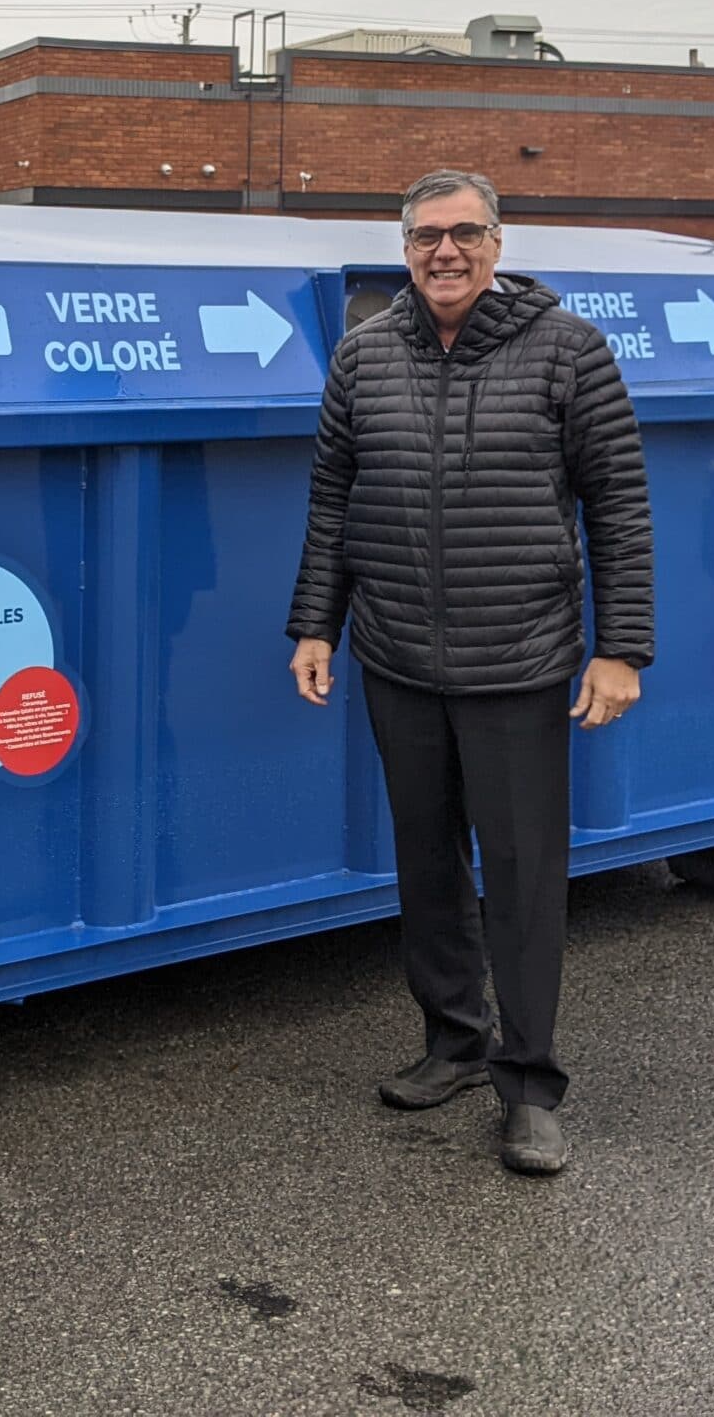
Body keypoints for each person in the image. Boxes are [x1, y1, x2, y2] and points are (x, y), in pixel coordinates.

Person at [286, 168, 652, 1176]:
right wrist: (317, 623)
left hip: (517, 660)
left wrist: (619, 648)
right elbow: (333, 499)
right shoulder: (363, 355)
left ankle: (528, 1082)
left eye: (463, 234)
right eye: (423, 237)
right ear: (402, 248)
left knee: (524, 878)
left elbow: (617, 503)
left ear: (497, 243)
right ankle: (452, 1042)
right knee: (428, 864)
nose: (442, 252)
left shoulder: (567, 351)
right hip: (398, 656)